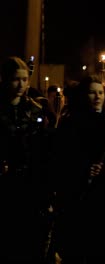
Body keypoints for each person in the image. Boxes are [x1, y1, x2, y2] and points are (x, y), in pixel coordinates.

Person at [51, 74, 105, 263]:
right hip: (81, 205)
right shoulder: (70, 126)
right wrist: (83, 171)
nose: (98, 97)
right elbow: (60, 162)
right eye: (92, 93)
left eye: (101, 92)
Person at [0, 56, 54, 263]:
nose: (21, 84)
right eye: (16, 79)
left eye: (25, 79)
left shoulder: (35, 111)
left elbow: (44, 153)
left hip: (30, 188)